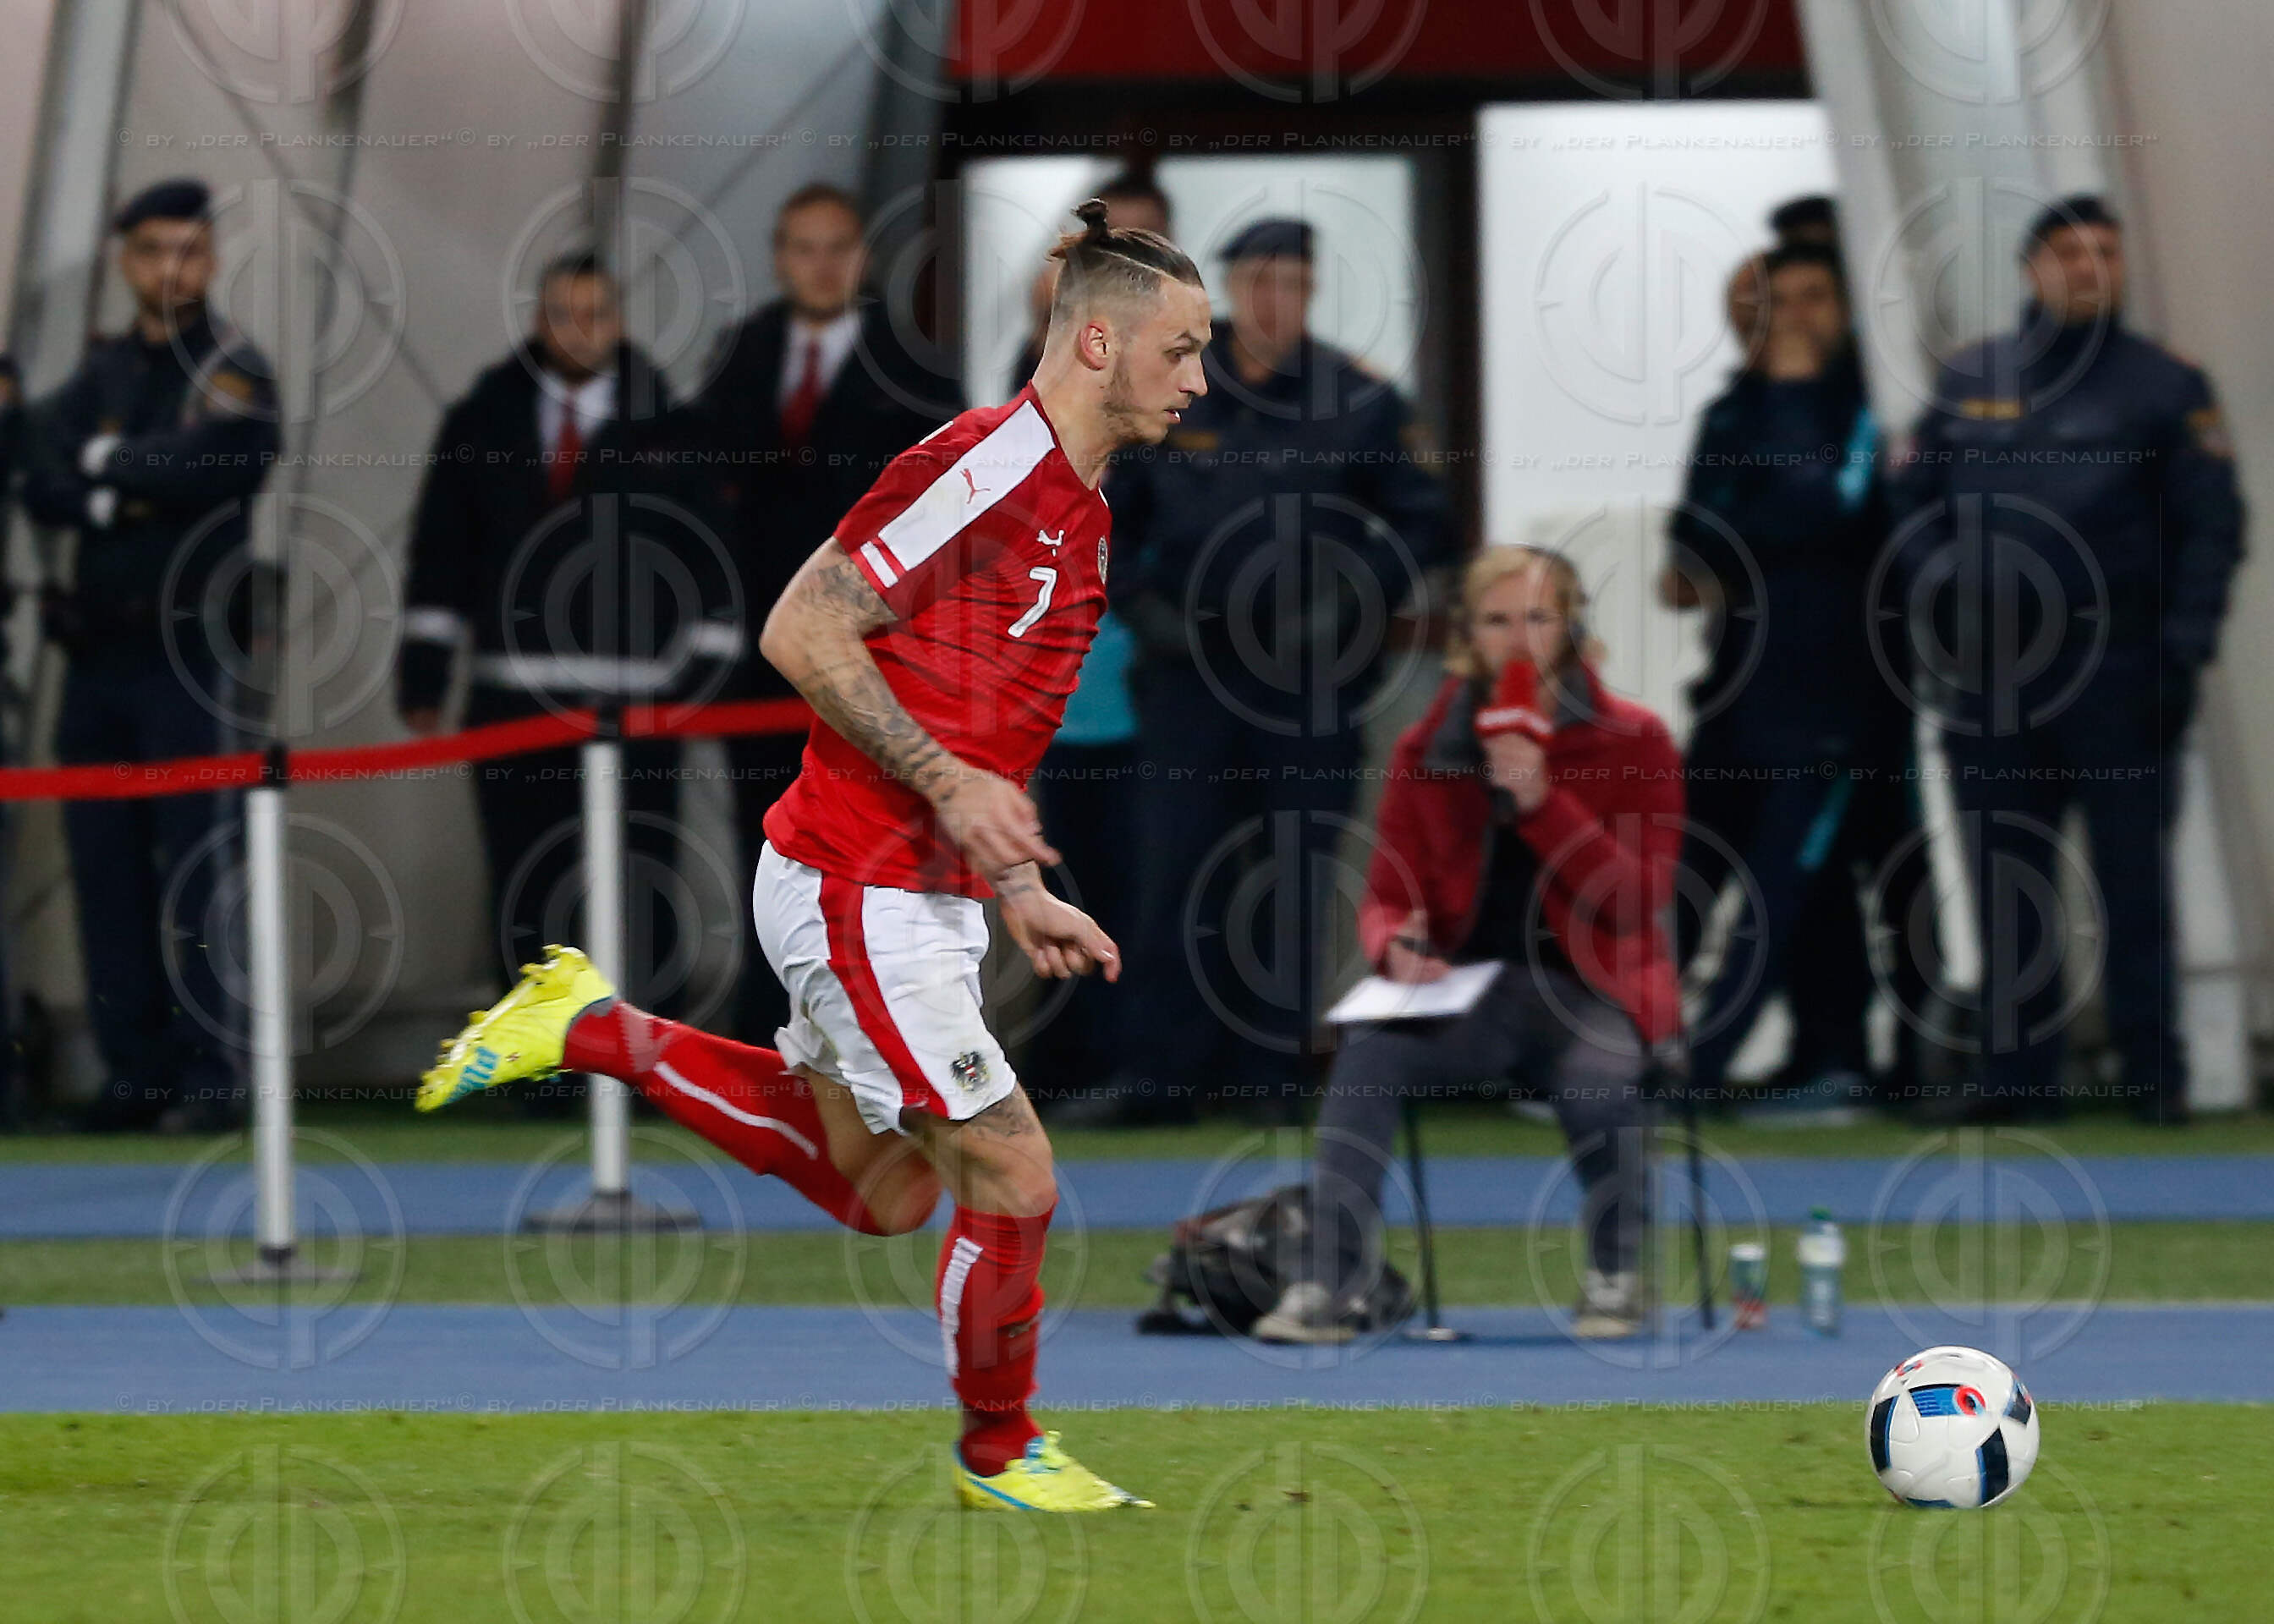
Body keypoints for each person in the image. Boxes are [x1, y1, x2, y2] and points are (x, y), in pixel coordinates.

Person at [415, 200, 1211, 1511]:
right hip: (858, 883)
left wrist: (1015, 882)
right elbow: (801, 629)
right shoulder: (981, 471)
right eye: (1179, 349)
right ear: (1096, 346)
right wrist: (951, 790)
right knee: (1014, 1169)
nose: (1198, 378)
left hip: (927, 893)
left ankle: (591, 1026)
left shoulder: (1088, 513)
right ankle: (1000, 1453)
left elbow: (989, 729)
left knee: (888, 1191)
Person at [1250, 546, 1684, 1344]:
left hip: (1588, 982)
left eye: (1538, 618)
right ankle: (1329, 1284)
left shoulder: (1634, 739)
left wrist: (1544, 803)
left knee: (1601, 1080)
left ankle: (1618, 1270)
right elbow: (1388, 892)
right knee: (1367, 1056)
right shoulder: (1427, 748)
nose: (1518, 639)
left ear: (1571, 626)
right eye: (1497, 620)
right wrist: (1399, 943)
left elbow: (1638, 903)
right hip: (1466, 987)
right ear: (1468, 636)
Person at [1080, 214, 1454, 1125]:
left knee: (1290, 878)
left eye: (1291, 283)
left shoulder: (1358, 400)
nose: (1273, 301)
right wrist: (1145, 610)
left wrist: (1351, 602)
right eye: (1257, 282)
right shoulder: (1170, 384)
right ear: (1228, 294)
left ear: (1311, 290)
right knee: (1170, 872)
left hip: (1307, 679)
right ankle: (1159, 1078)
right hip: (1187, 676)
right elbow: (1103, 509)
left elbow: (1425, 524)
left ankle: (1270, 1077)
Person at [1891, 195, 2244, 1125]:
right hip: (1992, 676)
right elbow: (1912, 509)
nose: (2090, 270)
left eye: (2105, 254)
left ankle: (2151, 1077)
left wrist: (2185, 649)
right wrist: (1951, 590)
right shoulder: (1972, 378)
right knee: (2010, 882)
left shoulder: (2164, 387)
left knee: (2134, 882)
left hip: (2119, 669)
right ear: (2030, 269)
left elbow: (2213, 527)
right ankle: (2018, 1082)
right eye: (2070, 253)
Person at [397, 252, 739, 1057]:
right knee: (527, 886)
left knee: (640, 885)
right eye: (562, 313)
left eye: (595, 313)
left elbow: (711, 563)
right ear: (537, 322)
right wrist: (422, 671)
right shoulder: (481, 423)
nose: (580, 329)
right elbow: (441, 553)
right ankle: (538, 1060)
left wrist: (701, 682)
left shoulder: (676, 431)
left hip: (641, 709)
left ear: (619, 321)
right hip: (511, 704)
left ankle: (650, 1063)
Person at [21, 178, 278, 1132]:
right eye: (152, 250)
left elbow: (224, 458)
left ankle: (213, 1078)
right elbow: (37, 470)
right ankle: (135, 1074)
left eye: (189, 250)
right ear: (126, 259)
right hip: (98, 655)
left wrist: (102, 464)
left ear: (210, 259)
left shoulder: (230, 366)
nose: (171, 269)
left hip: (189, 660)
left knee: (199, 871)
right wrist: (113, 482)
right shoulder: (101, 374)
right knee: (105, 868)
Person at [699, 183, 962, 1045]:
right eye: (803, 248)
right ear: (780, 258)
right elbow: (707, 508)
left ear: (864, 258)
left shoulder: (918, 371)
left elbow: (945, 518)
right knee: (763, 843)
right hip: (760, 663)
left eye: (837, 247)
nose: (821, 265)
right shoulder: (741, 356)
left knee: (869, 851)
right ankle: (768, 1025)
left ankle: (876, 1030)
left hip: (876, 659)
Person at [1662, 241, 1912, 1120]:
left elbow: (1827, 506)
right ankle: (1626, 1059)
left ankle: (1695, 1077)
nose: (1796, 317)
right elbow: (1689, 544)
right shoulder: (1734, 411)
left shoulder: (1863, 409)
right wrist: (1751, 532)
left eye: (1815, 297)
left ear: (1843, 311)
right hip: (1734, 698)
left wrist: (1750, 525)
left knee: (1784, 893)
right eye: (1782, 301)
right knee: (1683, 883)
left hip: (1836, 706)